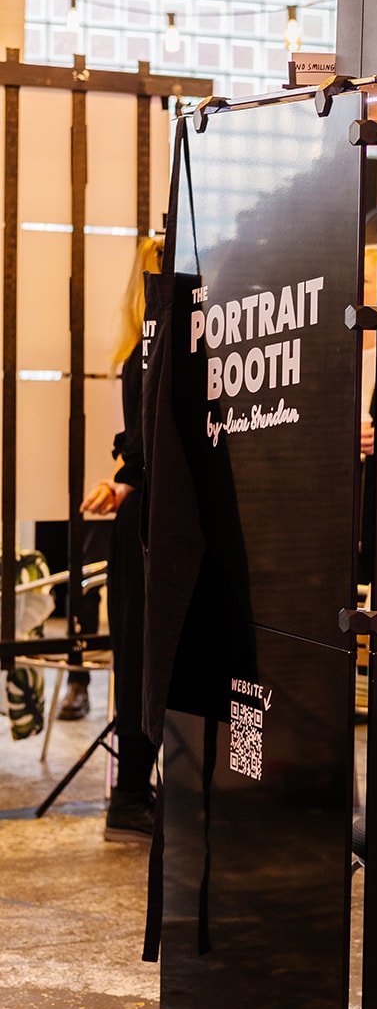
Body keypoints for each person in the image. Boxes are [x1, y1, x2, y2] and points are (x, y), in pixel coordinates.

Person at [81, 234, 164, 843]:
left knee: (143, 654)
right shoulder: (152, 351)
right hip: (148, 530)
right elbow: (145, 446)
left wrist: (122, 478)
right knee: (142, 656)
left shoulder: (140, 347)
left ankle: (136, 791)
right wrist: (127, 477)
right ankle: (131, 796)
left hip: (143, 522)